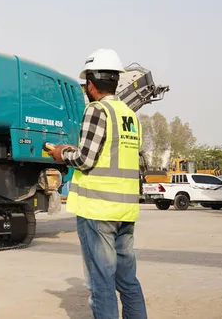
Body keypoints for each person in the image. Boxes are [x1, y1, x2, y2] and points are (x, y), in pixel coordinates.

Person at [49, 48, 148, 319]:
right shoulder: (129, 115)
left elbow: (85, 159)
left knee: (101, 283)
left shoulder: (96, 110)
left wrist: (61, 153)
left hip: (98, 211)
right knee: (128, 281)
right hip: (125, 210)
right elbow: (117, 155)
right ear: (116, 80)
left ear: (91, 85)